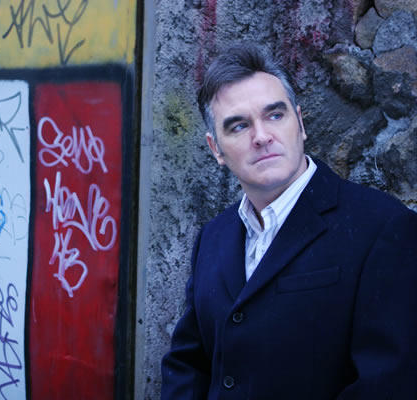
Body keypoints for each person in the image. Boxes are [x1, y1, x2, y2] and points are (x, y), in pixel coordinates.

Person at [161, 43, 417, 399]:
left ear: (300, 123)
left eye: (275, 115)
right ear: (215, 148)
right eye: (239, 126)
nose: (261, 136)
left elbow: (387, 384)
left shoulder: (382, 227)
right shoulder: (212, 238)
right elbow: (188, 364)